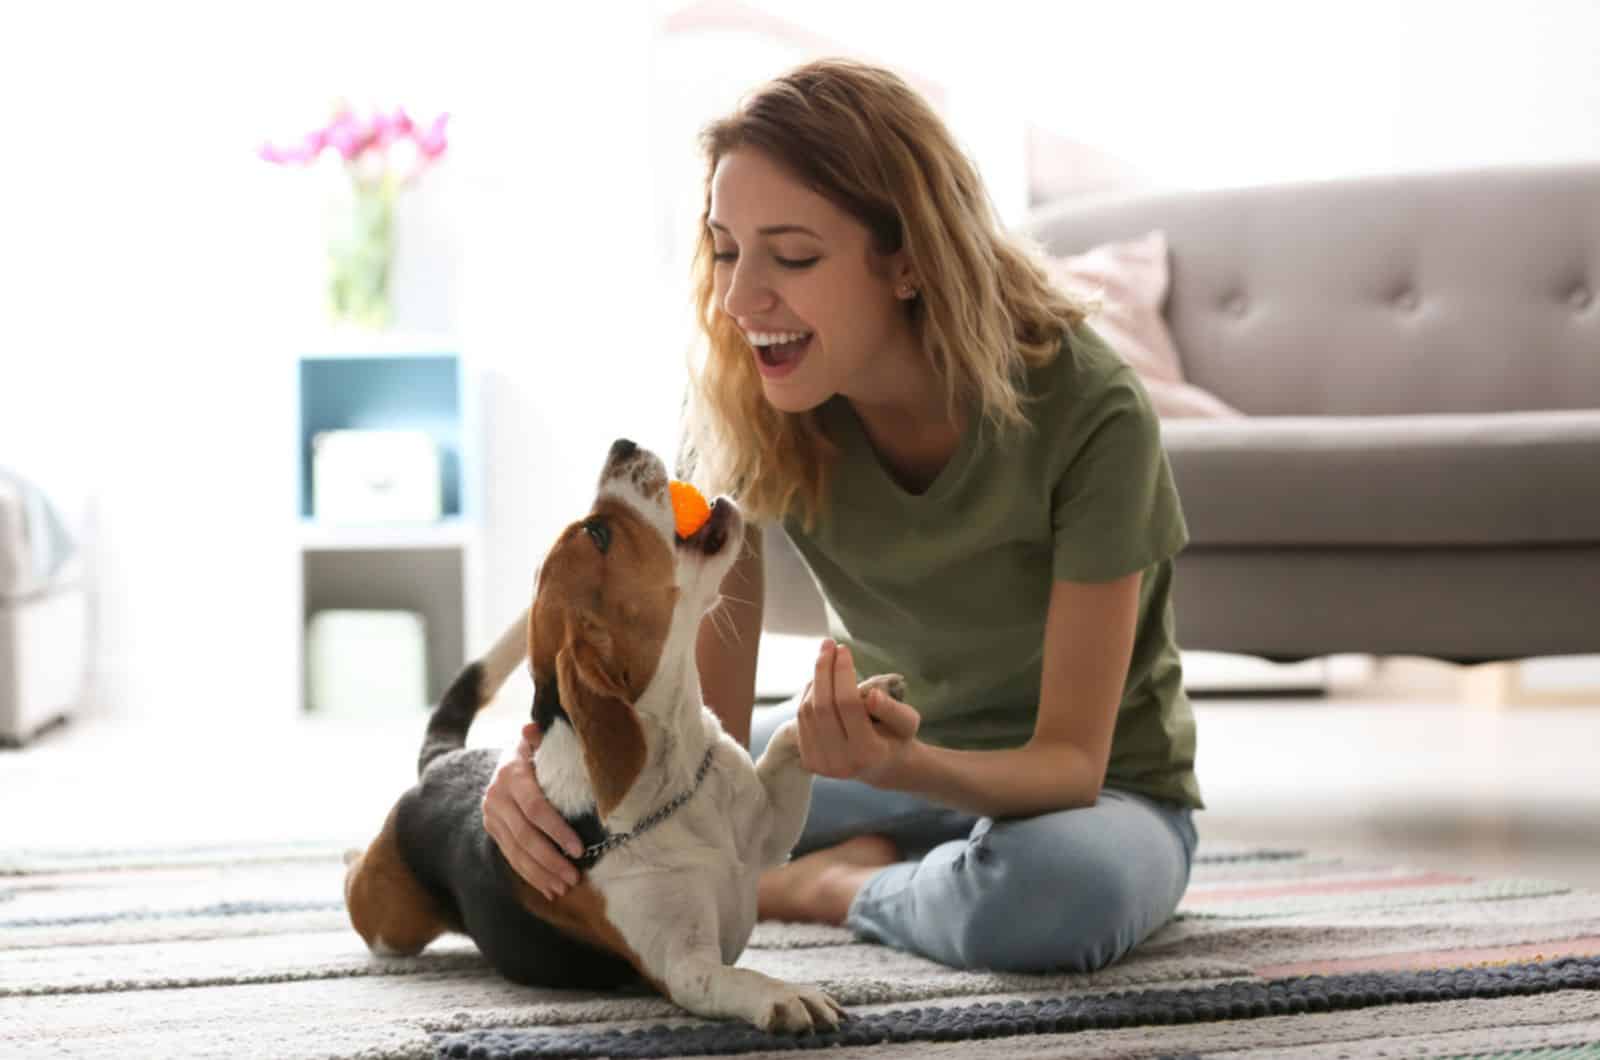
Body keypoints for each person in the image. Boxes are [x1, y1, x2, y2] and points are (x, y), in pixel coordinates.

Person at [483, 57, 1201, 975]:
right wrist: (537, 774)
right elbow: (695, 722)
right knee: (578, 822)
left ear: (906, 260)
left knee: (1060, 901)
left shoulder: (1089, 411)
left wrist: (903, 771)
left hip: (1095, 797)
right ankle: (914, 864)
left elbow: (1070, 763)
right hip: (855, 753)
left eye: (793, 256)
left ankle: (831, 888)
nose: (742, 300)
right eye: (728, 249)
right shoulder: (746, 404)